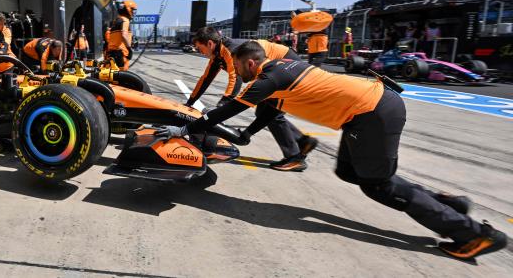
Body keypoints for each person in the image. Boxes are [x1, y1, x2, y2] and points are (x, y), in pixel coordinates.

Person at [157, 40, 508, 261]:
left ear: (249, 63)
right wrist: (247, 134)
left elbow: (226, 110)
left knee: (379, 185)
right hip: (370, 110)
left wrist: (185, 127)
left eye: (236, 67)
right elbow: (269, 111)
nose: (235, 72)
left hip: (372, 114)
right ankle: (448, 204)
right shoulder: (284, 68)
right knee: (350, 172)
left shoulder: (268, 78)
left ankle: (472, 233)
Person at [186, 26, 317, 171]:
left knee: (273, 112)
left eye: (200, 48)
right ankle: (302, 141)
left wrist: (224, 104)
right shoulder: (217, 56)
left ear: (210, 44)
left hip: (285, 65)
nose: (200, 52)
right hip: (274, 70)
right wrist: (189, 102)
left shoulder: (230, 50)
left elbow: (235, 79)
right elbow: (206, 79)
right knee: (265, 113)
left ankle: (295, 157)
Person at [107, 1, 137, 70]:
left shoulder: (117, 21)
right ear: (128, 9)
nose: (133, 12)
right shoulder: (125, 20)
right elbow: (124, 34)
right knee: (121, 75)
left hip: (112, 53)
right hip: (120, 54)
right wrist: (129, 49)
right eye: (132, 10)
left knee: (113, 75)